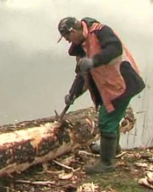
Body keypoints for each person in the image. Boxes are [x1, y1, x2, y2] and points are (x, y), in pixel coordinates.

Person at [58, 16, 145, 174]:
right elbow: (82, 76)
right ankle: (113, 150)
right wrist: (72, 94)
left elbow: (115, 48)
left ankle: (106, 163)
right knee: (111, 118)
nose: (67, 41)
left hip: (123, 83)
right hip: (110, 87)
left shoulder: (100, 31)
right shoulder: (80, 47)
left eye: (66, 37)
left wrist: (94, 61)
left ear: (74, 31)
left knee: (106, 121)